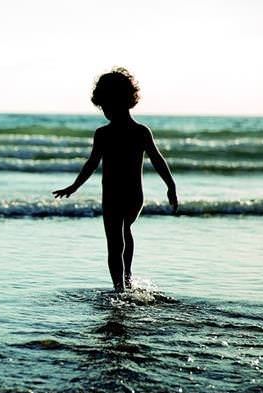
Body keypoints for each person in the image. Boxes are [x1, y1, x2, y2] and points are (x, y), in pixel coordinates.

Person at [52, 68, 178, 292]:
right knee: (124, 233)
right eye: (103, 107)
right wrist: (73, 187)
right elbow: (92, 164)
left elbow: (157, 160)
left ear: (124, 101)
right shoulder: (135, 131)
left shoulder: (113, 133)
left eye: (108, 105)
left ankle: (119, 288)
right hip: (132, 196)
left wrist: (171, 186)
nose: (106, 111)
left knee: (114, 242)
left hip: (115, 196)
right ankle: (127, 279)